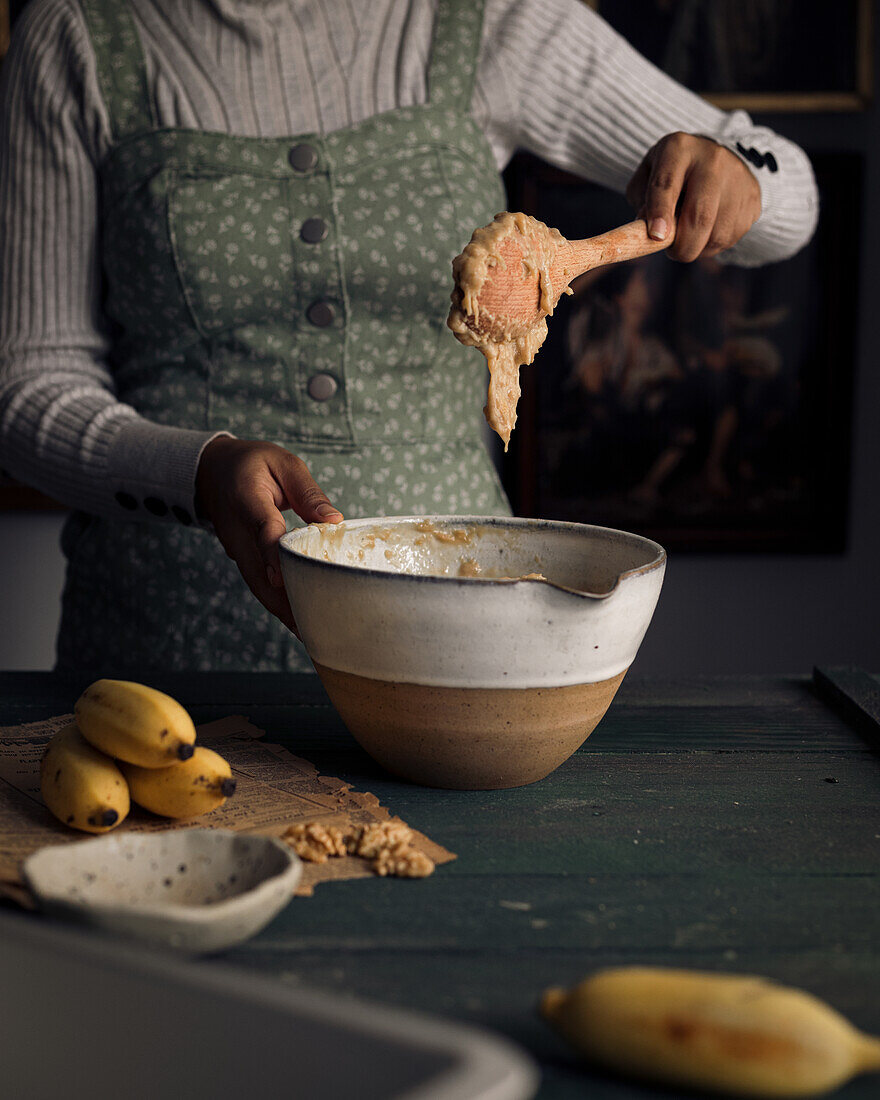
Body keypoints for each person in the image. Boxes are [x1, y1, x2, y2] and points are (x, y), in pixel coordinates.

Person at [0, 0, 818, 673]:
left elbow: (789, 196)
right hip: (162, 649)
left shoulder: (488, 17)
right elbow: (27, 386)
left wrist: (732, 170)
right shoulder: (76, 35)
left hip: (455, 646)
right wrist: (199, 471)